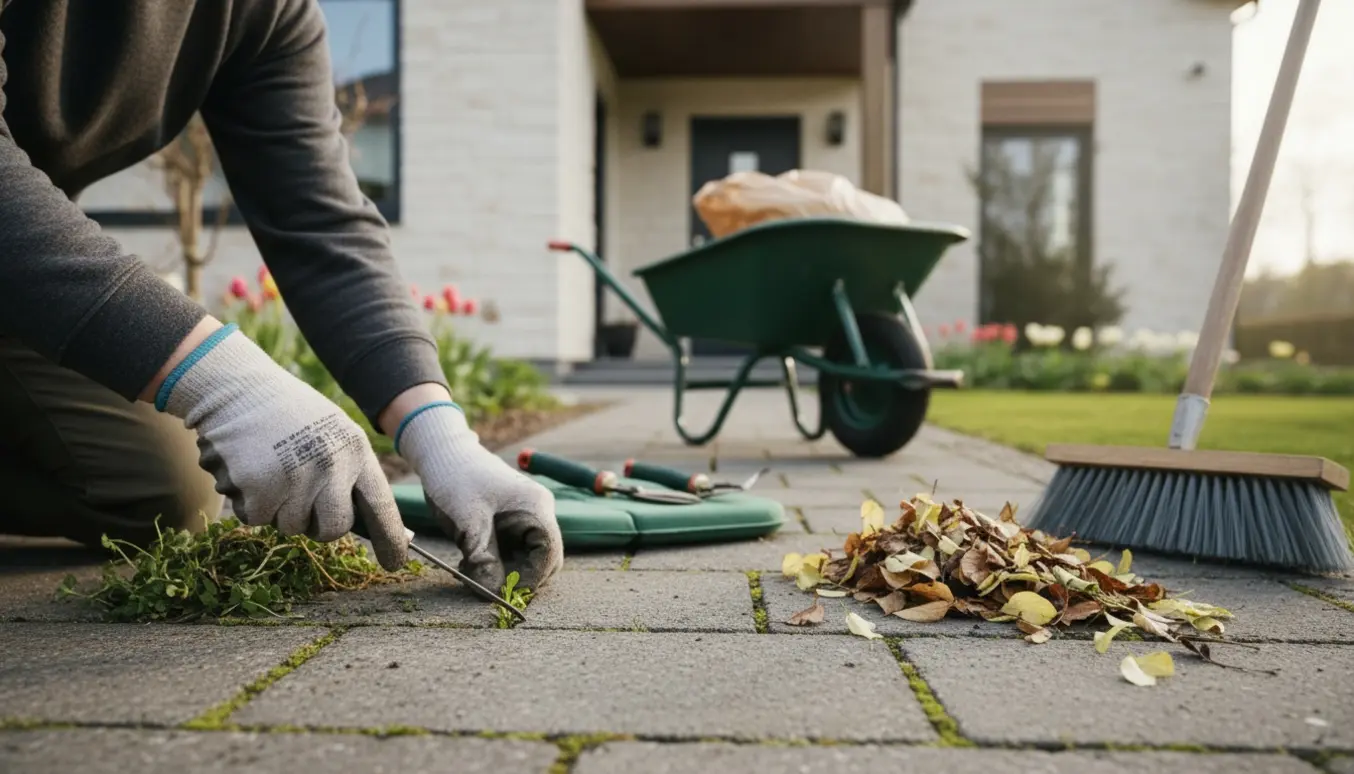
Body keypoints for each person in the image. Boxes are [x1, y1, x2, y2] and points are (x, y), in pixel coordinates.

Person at [0, 0, 564, 591]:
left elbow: (319, 222)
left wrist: (443, 442)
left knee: (162, 490)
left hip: (17, 283)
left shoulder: (264, 12)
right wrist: (227, 382)